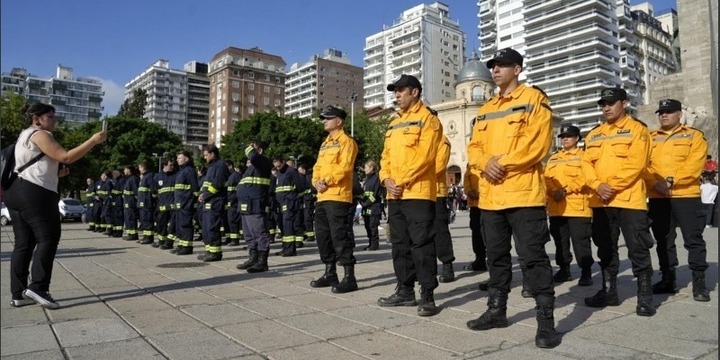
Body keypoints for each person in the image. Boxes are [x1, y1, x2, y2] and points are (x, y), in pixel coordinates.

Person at [464, 48, 559, 348]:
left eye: (502, 65)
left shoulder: (533, 100)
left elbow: (538, 145)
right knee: (497, 258)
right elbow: (474, 147)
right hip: (491, 198)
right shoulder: (486, 108)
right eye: (493, 66)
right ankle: (496, 311)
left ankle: (546, 322)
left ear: (517, 69)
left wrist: (500, 163)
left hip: (523, 194)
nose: (495, 70)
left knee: (533, 258)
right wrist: (484, 164)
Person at [6, 102, 106, 309]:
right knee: (48, 238)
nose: (55, 120)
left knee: (23, 244)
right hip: (35, 193)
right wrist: (93, 141)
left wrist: (56, 173)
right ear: (37, 119)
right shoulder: (41, 134)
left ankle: (18, 293)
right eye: (50, 117)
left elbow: (38, 163)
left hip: (17, 192)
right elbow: (66, 156)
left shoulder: (23, 136)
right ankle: (39, 287)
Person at [581, 87, 656, 317]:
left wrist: (609, 186)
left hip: (629, 200)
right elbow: (585, 164)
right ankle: (609, 292)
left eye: (611, 103)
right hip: (600, 202)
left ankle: (645, 298)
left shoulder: (637, 130)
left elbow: (637, 164)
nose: (606, 108)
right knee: (605, 249)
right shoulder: (593, 134)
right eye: (603, 104)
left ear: (624, 104)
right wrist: (596, 185)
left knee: (638, 249)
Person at [377, 74, 442, 317]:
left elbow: (425, 157)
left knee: (422, 244)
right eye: (395, 91)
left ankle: (428, 294)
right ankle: (405, 290)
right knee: (400, 244)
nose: (397, 95)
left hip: (418, 192)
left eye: (401, 90)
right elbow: (385, 157)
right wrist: (386, 179)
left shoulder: (428, 119)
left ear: (415, 92)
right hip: (395, 194)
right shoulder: (393, 122)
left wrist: (400, 181)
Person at [644, 99, 710, 302]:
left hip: (686, 195)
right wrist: (656, 183)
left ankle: (699, 283)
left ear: (679, 114)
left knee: (693, 239)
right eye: (661, 112)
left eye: (669, 112)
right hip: (657, 196)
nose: (664, 115)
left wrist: (671, 181)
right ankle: (667, 279)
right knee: (663, 241)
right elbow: (643, 164)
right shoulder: (650, 138)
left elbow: (695, 163)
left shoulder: (694, 136)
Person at [310, 105, 359, 293]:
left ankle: (349, 277)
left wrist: (326, 181)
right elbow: (317, 166)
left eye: (327, 118)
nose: (324, 121)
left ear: (338, 121)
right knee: (323, 237)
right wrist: (316, 182)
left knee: (340, 237)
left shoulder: (347, 142)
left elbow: (345, 168)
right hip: (322, 196)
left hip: (338, 197)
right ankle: (330, 272)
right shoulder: (325, 143)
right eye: (323, 118)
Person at [544, 125, 595, 286]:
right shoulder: (554, 158)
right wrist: (553, 191)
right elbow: (546, 178)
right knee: (560, 241)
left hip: (577, 208)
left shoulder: (584, 156)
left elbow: (585, 177)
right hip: (557, 208)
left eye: (569, 136)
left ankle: (586, 272)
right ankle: (564, 269)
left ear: (577, 138)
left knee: (581, 242)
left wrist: (565, 190)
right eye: (563, 136)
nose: (565, 139)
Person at [236, 140, 274, 272]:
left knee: (259, 233)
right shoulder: (251, 168)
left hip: (256, 205)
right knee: (249, 234)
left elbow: (253, 157)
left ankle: (263, 262)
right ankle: (253, 258)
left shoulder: (264, 162)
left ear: (260, 150)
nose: (249, 150)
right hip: (246, 205)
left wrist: (249, 148)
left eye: (253, 147)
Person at [197, 144, 229, 262]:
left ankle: (215, 253)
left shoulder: (220, 165)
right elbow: (207, 184)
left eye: (206, 155)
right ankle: (209, 251)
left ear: (212, 153)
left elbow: (218, 184)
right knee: (206, 228)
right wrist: (202, 194)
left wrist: (205, 195)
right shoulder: (211, 166)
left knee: (212, 227)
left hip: (215, 201)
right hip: (208, 200)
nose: (205, 158)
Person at [272, 156, 306, 256]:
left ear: (283, 162)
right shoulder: (279, 173)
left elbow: (300, 186)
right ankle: (285, 247)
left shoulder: (291, 171)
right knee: (282, 226)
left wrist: (293, 195)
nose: (277, 168)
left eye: (279, 166)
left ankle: (291, 249)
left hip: (289, 202)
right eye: (276, 167)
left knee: (288, 226)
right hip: (280, 202)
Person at [434, 135, 456, 283]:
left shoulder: (441, 140)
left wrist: (412, 174)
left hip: (436, 192)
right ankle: (426, 266)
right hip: (417, 192)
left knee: (440, 231)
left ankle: (447, 264)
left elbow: (439, 165)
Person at [462, 164, 487, 274]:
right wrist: (468, 191)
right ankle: (480, 259)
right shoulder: (471, 166)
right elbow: (466, 180)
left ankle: (494, 260)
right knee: (476, 231)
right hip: (475, 204)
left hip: (489, 203)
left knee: (491, 232)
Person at [172, 151, 198, 255]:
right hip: (179, 203)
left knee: (186, 225)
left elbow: (195, 188)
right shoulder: (180, 171)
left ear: (186, 159)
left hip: (186, 203)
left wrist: (192, 201)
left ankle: (187, 247)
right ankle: (181, 245)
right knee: (180, 225)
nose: (177, 160)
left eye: (180, 158)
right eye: (177, 158)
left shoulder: (189, 171)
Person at [152, 159, 176, 249]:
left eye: (173, 165)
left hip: (172, 205)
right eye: (170, 165)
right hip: (162, 204)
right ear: (164, 166)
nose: (172, 167)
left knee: (173, 225)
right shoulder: (157, 177)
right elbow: (154, 191)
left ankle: (169, 243)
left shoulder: (175, 175)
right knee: (161, 224)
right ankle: (161, 241)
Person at [360, 160, 383, 251]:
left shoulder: (377, 178)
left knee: (373, 226)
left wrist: (366, 203)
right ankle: (370, 243)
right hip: (366, 207)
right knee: (367, 226)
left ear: (371, 168)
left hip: (373, 206)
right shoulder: (366, 179)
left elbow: (375, 194)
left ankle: (374, 244)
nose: (364, 170)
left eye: (366, 168)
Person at [136, 162, 156, 244]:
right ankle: (145, 237)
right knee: (144, 220)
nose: (139, 169)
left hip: (147, 202)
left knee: (148, 220)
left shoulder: (149, 176)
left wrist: (151, 199)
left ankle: (149, 238)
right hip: (142, 202)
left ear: (143, 168)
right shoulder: (144, 177)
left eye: (139, 167)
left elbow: (153, 189)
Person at [224, 160, 242, 246]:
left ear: (230, 166)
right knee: (229, 221)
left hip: (234, 203)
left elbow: (238, 190)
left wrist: (232, 202)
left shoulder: (236, 176)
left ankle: (235, 240)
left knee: (233, 221)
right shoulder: (229, 176)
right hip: (229, 203)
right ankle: (230, 238)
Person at [121, 165, 139, 241]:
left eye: (125, 170)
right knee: (128, 219)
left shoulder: (133, 179)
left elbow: (136, 192)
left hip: (131, 203)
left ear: (129, 170)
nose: (124, 171)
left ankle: (133, 235)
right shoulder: (128, 179)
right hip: (127, 202)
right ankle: (130, 234)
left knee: (131, 218)